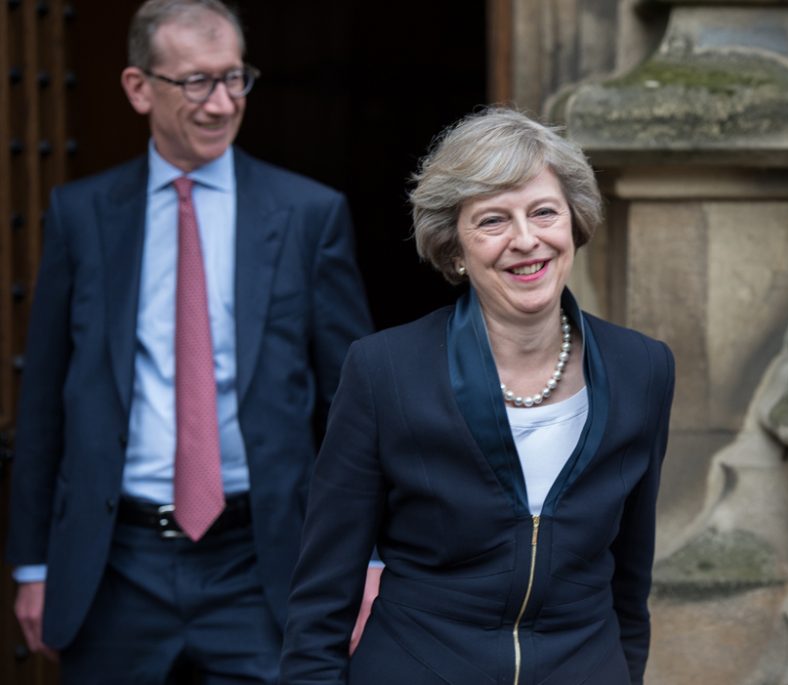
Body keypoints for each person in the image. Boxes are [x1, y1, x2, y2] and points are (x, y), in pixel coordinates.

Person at [5, 0, 374, 681]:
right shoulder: (80, 216)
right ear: (139, 87)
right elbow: (46, 401)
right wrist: (32, 562)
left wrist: (370, 556)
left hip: (262, 563)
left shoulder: (307, 215)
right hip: (115, 568)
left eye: (235, 78)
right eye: (196, 81)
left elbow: (357, 406)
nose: (221, 103)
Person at [280, 108, 675, 685]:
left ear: (575, 225)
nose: (525, 239)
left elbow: (630, 582)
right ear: (456, 248)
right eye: (493, 220)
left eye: (544, 212)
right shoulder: (383, 371)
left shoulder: (644, 368)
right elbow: (321, 599)